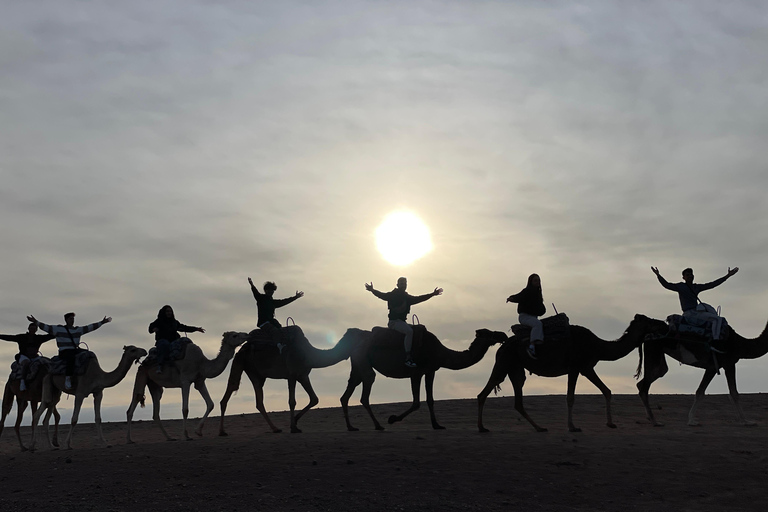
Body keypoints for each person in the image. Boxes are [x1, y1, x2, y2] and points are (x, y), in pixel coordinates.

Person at [365, 277, 443, 368]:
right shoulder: (393, 295)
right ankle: (408, 358)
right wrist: (372, 290)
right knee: (409, 331)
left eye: (405, 283)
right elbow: (381, 295)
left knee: (417, 330)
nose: (403, 285)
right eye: (401, 283)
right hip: (394, 322)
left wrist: (432, 294)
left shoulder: (407, 297)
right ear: (397, 285)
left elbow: (419, 298)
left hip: (402, 322)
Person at [27, 312, 112, 390]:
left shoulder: (77, 330)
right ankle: (68, 378)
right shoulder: (59, 329)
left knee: (89, 354)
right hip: (64, 351)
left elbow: (90, 327)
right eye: (70, 319)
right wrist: (35, 321)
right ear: (66, 320)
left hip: (75, 350)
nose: (72, 320)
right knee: (71, 358)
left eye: (73, 319)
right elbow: (46, 327)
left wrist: (102, 322)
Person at [651, 266, 739, 340]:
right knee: (717, 319)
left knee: (715, 320)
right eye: (687, 275)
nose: (690, 276)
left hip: (696, 312)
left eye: (691, 274)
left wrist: (727, 276)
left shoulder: (696, 287)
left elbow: (712, 284)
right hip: (689, 313)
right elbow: (667, 285)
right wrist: (658, 275)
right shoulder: (681, 286)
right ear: (684, 277)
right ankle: (716, 341)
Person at [148, 305, 204, 373]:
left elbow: (183, 327)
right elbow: (151, 327)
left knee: (185, 342)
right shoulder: (158, 321)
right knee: (165, 345)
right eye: (167, 311)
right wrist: (153, 329)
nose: (169, 313)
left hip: (174, 341)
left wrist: (196, 329)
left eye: (170, 311)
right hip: (162, 341)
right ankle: (160, 365)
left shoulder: (174, 322)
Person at [0, 323, 55, 391]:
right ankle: (22, 382)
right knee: (26, 363)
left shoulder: (39, 338)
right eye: (31, 328)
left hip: (35, 357)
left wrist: (60, 331)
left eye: (34, 329)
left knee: (48, 363)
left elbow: (50, 336)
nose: (33, 330)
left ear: (36, 330)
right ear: (28, 329)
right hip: (23, 356)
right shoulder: (21, 337)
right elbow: (10, 337)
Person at [507, 274, 546, 359]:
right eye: (535, 280)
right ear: (531, 282)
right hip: (525, 317)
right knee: (537, 324)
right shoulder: (527, 291)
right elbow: (519, 296)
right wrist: (512, 298)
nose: (538, 282)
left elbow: (540, 308)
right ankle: (531, 346)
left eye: (539, 280)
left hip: (533, 317)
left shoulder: (538, 294)